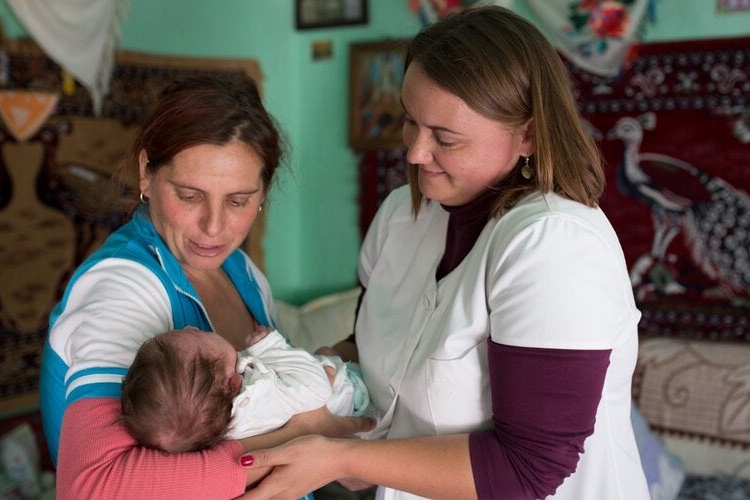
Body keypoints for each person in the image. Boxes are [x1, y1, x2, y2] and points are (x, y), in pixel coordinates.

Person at [238, 6, 650, 500]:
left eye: (445, 138)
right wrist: (311, 378)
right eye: (410, 121)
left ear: (529, 134)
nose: (413, 152)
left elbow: (530, 469)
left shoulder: (554, 246)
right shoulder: (401, 216)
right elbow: (377, 350)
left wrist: (341, 457)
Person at [39, 75, 371, 499]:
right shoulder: (123, 289)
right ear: (146, 173)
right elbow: (92, 488)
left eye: (238, 201)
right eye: (190, 196)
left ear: (263, 192)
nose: (214, 227)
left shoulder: (242, 272)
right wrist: (307, 436)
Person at [121, 325, 372, 452]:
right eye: (200, 334)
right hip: (355, 396)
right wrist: (269, 346)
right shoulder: (258, 398)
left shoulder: (218, 417)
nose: (190, 327)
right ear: (232, 383)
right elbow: (317, 388)